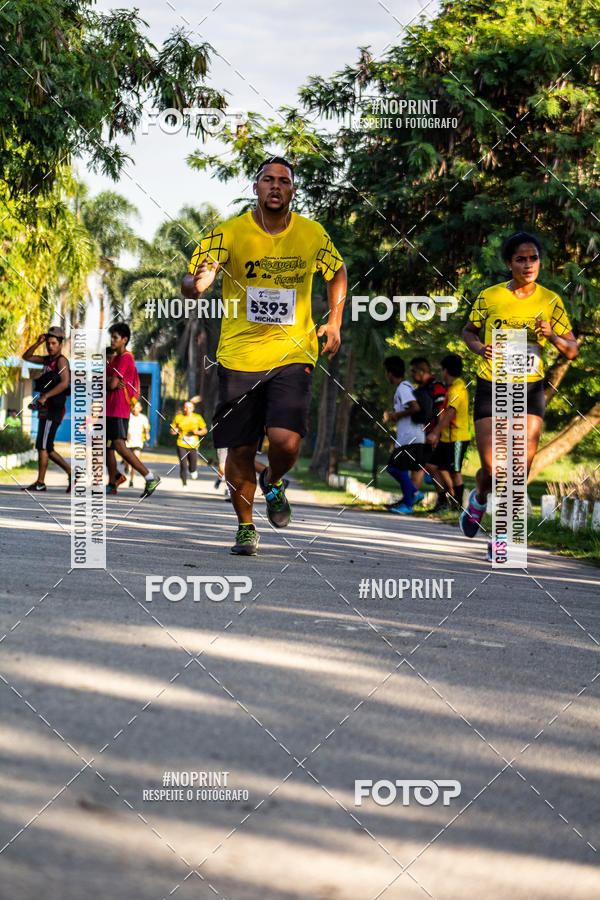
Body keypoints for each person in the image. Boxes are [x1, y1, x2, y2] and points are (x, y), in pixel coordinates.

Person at [182, 156, 346, 555]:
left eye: (283, 181)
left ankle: (273, 481)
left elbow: (336, 271)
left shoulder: (311, 234)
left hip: (293, 352)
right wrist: (197, 284)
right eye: (267, 180)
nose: (275, 187)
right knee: (239, 448)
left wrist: (336, 320)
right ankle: (245, 526)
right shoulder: (229, 232)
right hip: (239, 356)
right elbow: (192, 277)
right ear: (255, 188)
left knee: (286, 441)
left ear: (292, 190)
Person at [461, 232, 578, 559]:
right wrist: (479, 347)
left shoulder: (551, 300)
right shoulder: (490, 296)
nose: (528, 265)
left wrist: (552, 335)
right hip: (492, 385)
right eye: (521, 259)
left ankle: (501, 539)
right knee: (492, 467)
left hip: (528, 389)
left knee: (518, 470)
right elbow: (468, 331)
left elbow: (572, 350)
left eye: (533, 258)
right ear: (509, 263)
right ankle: (479, 499)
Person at [105, 323, 160, 497]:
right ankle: (114, 481)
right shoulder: (114, 359)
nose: (112, 340)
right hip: (109, 408)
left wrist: (109, 382)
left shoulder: (126, 358)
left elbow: (112, 383)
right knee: (106, 447)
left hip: (118, 409)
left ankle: (150, 476)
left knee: (120, 446)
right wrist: (108, 382)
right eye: (111, 337)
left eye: (115, 338)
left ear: (125, 340)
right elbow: (105, 382)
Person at [21, 327, 71, 492]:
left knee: (44, 446)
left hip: (54, 408)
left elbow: (64, 383)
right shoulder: (46, 360)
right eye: (48, 343)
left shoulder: (61, 361)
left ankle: (42, 482)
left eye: (54, 343)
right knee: (44, 446)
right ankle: (70, 473)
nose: (50, 346)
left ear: (60, 344)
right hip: (46, 409)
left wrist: (45, 396)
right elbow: (26, 356)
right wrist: (37, 342)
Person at [427, 354, 470, 510]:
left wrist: (435, 432)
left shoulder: (459, 388)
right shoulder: (450, 388)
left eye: (442, 370)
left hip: (458, 437)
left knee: (455, 472)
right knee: (431, 465)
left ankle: (457, 507)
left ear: (446, 371)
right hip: (447, 437)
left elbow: (450, 413)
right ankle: (442, 501)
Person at [382, 356, 425, 515]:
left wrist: (396, 416)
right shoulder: (406, 387)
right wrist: (397, 414)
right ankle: (411, 497)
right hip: (410, 437)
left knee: (394, 467)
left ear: (390, 373)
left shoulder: (403, 388)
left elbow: (415, 407)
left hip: (410, 438)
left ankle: (412, 497)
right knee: (397, 468)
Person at [409, 356, 448, 506]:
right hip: (422, 434)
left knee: (433, 467)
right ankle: (411, 497)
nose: (412, 375)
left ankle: (445, 500)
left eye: (413, 371)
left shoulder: (435, 386)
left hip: (434, 434)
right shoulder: (421, 389)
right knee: (418, 466)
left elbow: (441, 410)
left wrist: (436, 433)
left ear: (421, 371)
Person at [170, 400, 207, 487]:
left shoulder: (197, 417)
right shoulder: (178, 417)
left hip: (193, 445)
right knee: (183, 464)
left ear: (193, 408)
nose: (187, 409)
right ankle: (184, 483)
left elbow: (204, 430)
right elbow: (172, 430)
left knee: (193, 465)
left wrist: (197, 432)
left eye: (190, 407)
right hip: (181, 444)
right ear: (183, 408)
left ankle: (193, 470)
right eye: (186, 407)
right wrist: (174, 431)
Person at [124, 401, 151, 487]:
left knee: (135, 461)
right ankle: (126, 466)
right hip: (128, 443)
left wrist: (147, 434)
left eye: (137, 407)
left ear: (140, 408)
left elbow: (147, 428)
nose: (135, 409)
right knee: (127, 461)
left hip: (138, 442)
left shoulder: (143, 418)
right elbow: (124, 426)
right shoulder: (128, 417)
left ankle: (131, 480)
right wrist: (126, 433)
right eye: (134, 407)